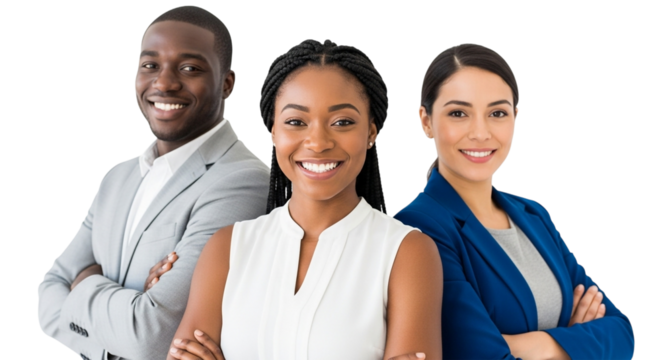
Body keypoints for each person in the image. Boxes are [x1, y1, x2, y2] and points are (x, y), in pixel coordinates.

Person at [166, 39, 443, 360]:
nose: (318, 142)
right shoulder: (227, 248)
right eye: (296, 122)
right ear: (273, 132)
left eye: (342, 122)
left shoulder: (407, 253)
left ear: (370, 132)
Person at [36, 5, 270, 360]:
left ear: (227, 84)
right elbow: (48, 293)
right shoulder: (117, 177)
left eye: (189, 68)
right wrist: (119, 329)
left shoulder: (244, 181)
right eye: (150, 65)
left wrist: (84, 284)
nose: (164, 83)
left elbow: (152, 336)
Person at [394, 42, 635, 359]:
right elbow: (479, 355)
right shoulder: (419, 229)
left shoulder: (533, 214)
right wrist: (574, 341)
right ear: (426, 122)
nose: (481, 133)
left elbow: (621, 333)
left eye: (497, 113)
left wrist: (537, 344)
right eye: (458, 113)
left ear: (515, 118)